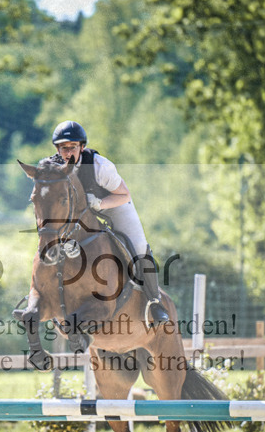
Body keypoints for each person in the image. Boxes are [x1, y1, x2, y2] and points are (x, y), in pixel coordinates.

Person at [39, 120, 170, 325]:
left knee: (139, 246)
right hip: (79, 216)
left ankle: (154, 302)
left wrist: (99, 203)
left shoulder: (101, 167)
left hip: (113, 206)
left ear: (82, 147)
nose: (68, 152)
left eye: (73, 147)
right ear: (57, 149)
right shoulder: (53, 167)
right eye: (63, 147)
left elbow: (124, 195)